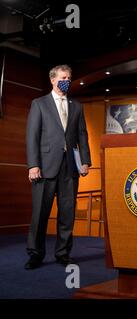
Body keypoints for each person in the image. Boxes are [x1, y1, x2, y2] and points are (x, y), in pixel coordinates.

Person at [25, 64, 91, 269]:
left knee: (67, 213)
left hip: (70, 167)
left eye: (69, 78)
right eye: (63, 77)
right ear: (52, 80)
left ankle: (63, 253)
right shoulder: (39, 104)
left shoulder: (77, 105)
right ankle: (35, 254)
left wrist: (86, 161)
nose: (67, 81)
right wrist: (33, 165)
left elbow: (82, 134)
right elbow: (32, 136)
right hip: (44, 167)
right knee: (40, 214)